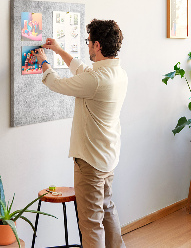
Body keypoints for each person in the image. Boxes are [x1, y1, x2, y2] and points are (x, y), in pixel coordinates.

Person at [32, 19, 127, 248]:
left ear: (97, 45)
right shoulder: (118, 74)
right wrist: (58, 50)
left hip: (90, 161)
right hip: (107, 157)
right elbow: (83, 70)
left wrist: (43, 61)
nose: (87, 47)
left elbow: (57, 84)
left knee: (91, 223)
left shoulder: (95, 80)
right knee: (107, 211)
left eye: (88, 43)